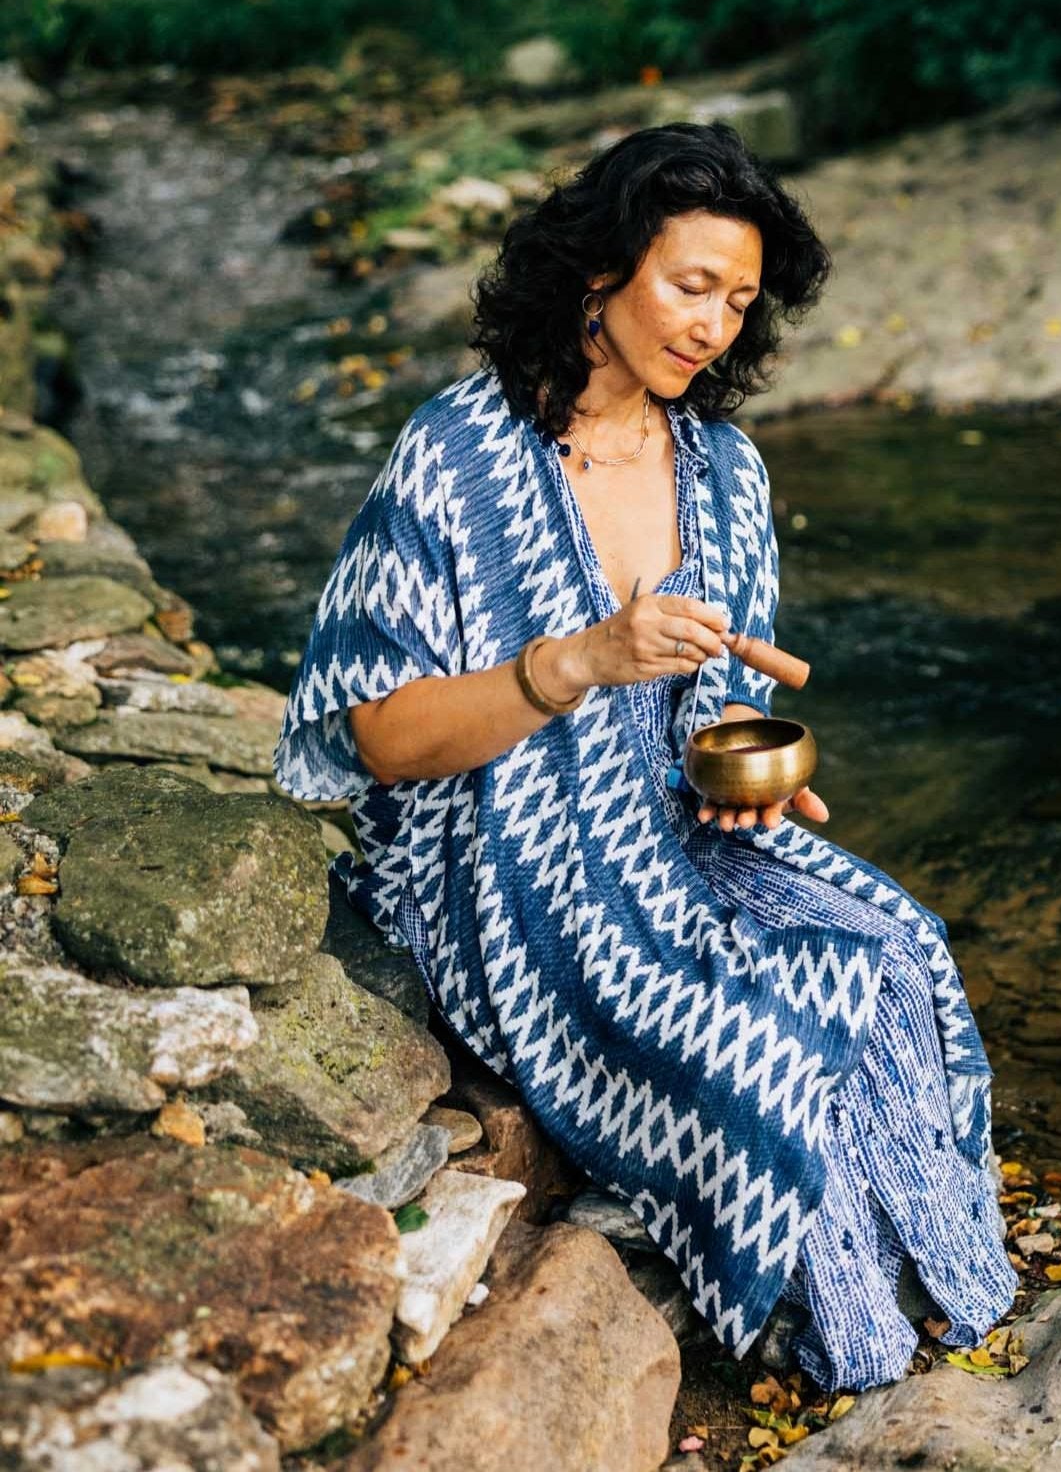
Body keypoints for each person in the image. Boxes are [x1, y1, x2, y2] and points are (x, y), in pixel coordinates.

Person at [273, 121, 1017, 1391]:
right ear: (600, 272)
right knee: (764, 1029)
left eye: (739, 300)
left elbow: (717, 711)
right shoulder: (454, 457)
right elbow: (378, 737)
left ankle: (932, 1265)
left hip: (673, 836)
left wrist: (748, 785)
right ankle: (831, 1310)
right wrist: (576, 659)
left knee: (898, 947)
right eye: (692, 285)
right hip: (497, 865)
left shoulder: (725, 471)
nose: (715, 325)